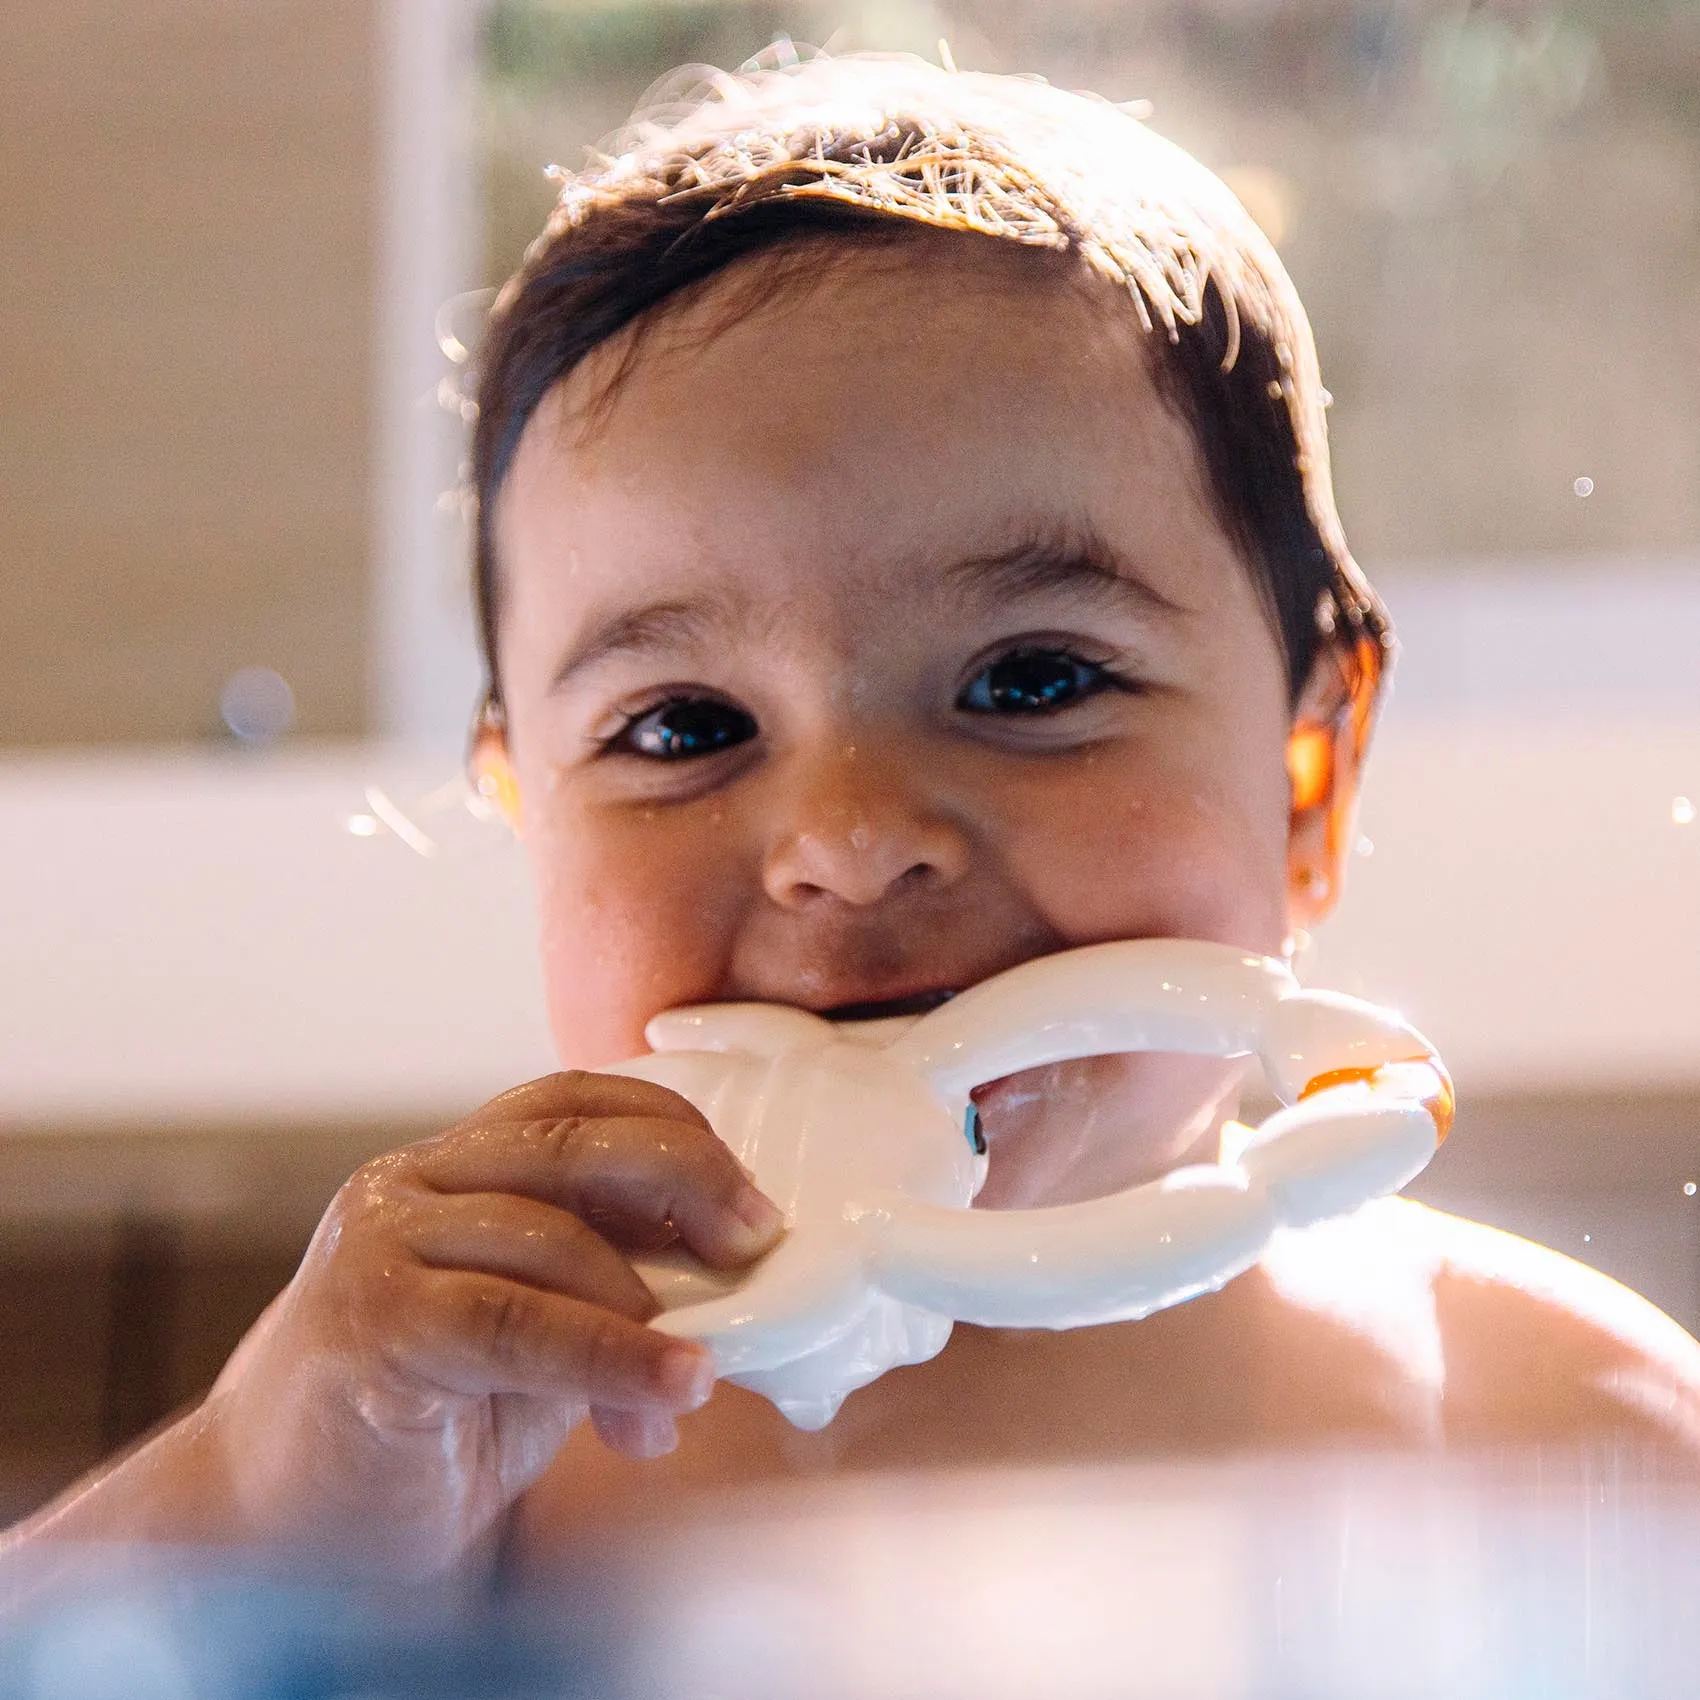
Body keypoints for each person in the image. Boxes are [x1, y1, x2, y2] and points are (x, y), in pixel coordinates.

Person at [8, 53, 1699, 1586]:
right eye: (684, 727)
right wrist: (247, 1484)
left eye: (1033, 679)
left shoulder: (1563, 1436)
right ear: (526, 813)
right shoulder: (451, 1470)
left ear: (1308, 776)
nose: (847, 836)